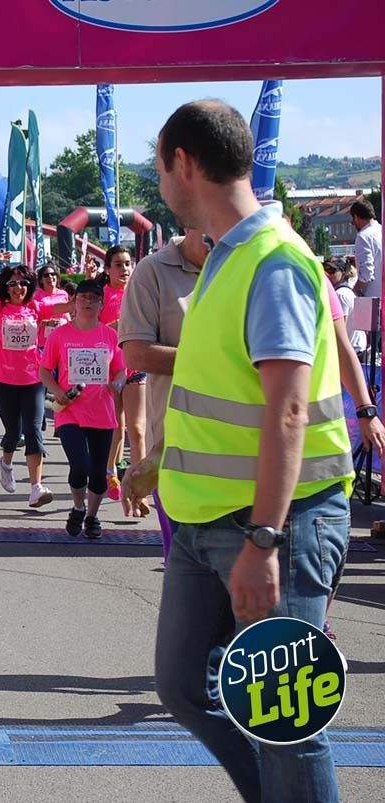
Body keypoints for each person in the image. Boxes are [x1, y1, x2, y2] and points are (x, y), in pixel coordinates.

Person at [141, 99, 353, 802]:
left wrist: (264, 538)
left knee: (284, 716)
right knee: (181, 684)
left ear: (185, 163)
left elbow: (288, 410)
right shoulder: (225, 258)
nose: (160, 183)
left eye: (160, 166)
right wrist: (157, 462)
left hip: (273, 526)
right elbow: (218, 392)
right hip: (205, 523)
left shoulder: (272, 260)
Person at [119, 228, 209, 559]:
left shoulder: (245, 265)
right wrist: (215, 361)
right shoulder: (153, 271)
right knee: (186, 580)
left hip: (244, 461)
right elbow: (138, 355)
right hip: (177, 450)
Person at [0, 264, 68, 504]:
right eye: (12, 283)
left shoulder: (37, 307)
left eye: (23, 283)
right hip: (4, 381)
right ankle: (5, 463)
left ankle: (36, 487)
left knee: (33, 431)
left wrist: (93, 287)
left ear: (30, 285)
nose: (18, 287)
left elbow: (71, 306)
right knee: (13, 433)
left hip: (33, 380)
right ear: (5, 288)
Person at [40, 279, 126, 539]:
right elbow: (45, 371)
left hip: (102, 412)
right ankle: (77, 507)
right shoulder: (60, 335)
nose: (88, 302)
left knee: (99, 473)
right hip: (70, 411)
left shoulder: (110, 336)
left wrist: (117, 384)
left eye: (94, 298)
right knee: (79, 465)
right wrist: (57, 391)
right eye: (83, 297)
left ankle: (91, 515)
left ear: (101, 304)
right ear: (74, 303)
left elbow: (121, 369)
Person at [98, 245, 146, 501]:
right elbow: (91, 329)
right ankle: (110, 473)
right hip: (110, 370)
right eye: (118, 264)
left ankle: (140, 486)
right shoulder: (101, 296)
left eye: (127, 263)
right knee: (116, 426)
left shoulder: (139, 293)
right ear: (107, 269)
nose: (124, 269)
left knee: (138, 430)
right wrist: (113, 327)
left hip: (136, 368)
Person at [326, 259, 367, 359]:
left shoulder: (340, 294)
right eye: (328, 270)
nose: (329, 274)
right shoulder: (348, 291)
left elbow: (341, 328)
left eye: (333, 271)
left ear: (343, 273)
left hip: (352, 352)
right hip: (357, 349)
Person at [350, 199, 382, 297]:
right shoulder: (381, 230)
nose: (352, 222)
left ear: (356, 217)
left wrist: (355, 289)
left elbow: (366, 273)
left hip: (372, 298)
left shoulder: (363, 236)